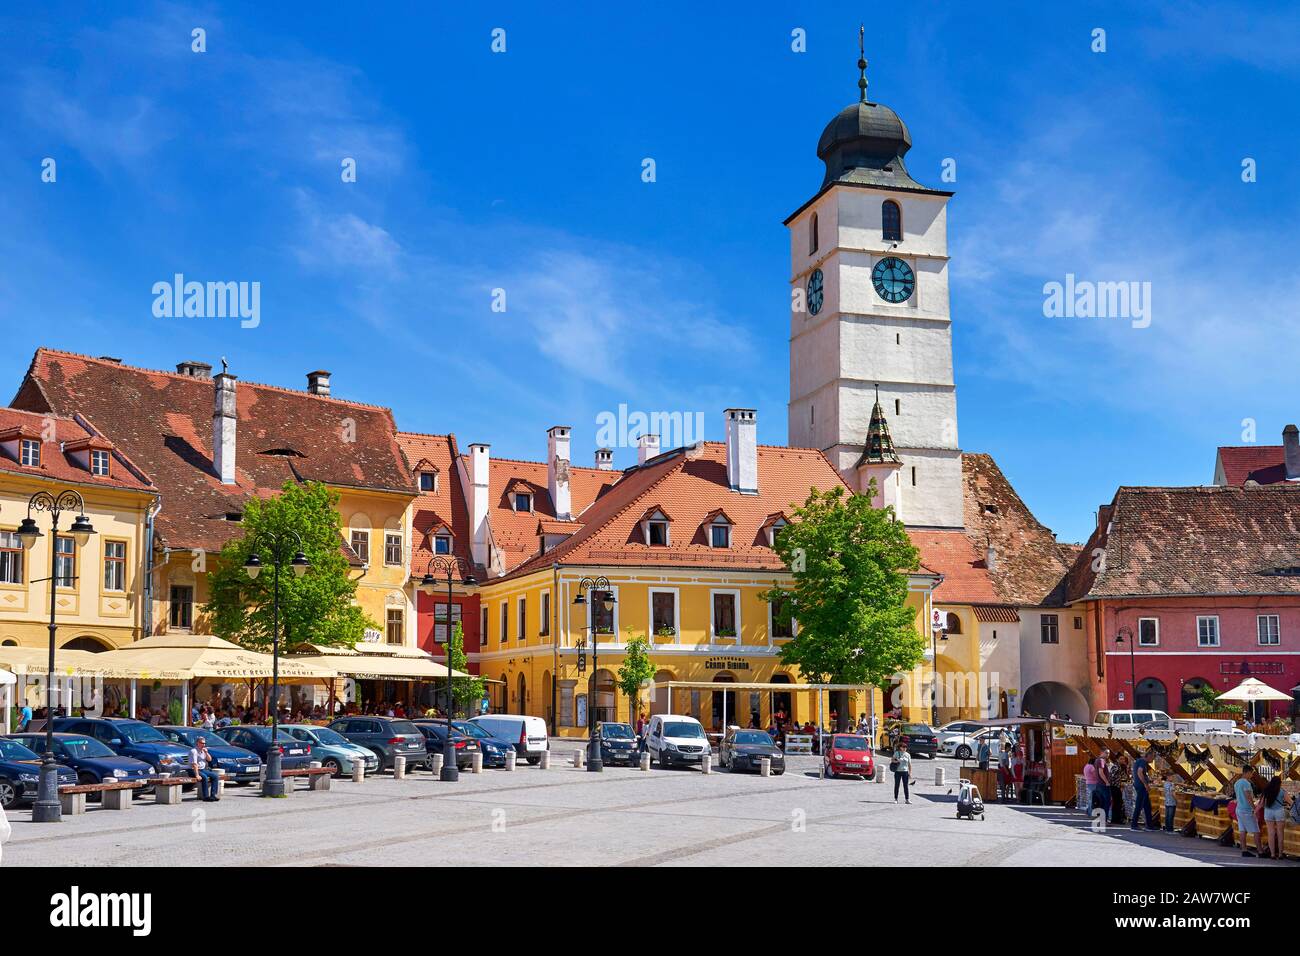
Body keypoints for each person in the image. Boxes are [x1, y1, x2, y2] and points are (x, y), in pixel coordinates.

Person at [1234, 769, 1260, 858]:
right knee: (1256, 830)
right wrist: (1255, 808)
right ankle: (1260, 851)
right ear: (1247, 772)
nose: (1252, 775)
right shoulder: (1246, 783)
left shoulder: (1237, 783)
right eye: (1251, 773)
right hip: (1246, 810)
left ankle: (1244, 850)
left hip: (1239, 808)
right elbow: (1248, 798)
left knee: (1242, 831)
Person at [1261, 775, 1287, 861]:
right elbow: (1290, 802)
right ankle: (1280, 854)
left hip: (1268, 812)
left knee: (1271, 833)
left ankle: (1272, 854)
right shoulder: (1282, 791)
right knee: (1280, 834)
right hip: (1279, 812)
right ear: (1279, 783)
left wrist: (1255, 811)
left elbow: (1262, 804)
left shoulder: (1266, 790)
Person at [190, 735, 221, 802]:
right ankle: (206, 796)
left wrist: (206, 753)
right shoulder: (194, 751)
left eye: (204, 743)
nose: (203, 745)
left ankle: (213, 795)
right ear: (197, 743)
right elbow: (194, 764)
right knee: (204, 777)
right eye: (202, 743)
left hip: (203, 769)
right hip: (193, 770)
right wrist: (197, 775)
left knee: (215, 776)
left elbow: (209, 759)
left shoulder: (203, 751)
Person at [1130, 752, 1155, 830]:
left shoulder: (1139, 761)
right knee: (1139, 805)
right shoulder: (1142, 762)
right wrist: (1145, 784)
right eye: (1153, 757)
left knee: (1147, 806)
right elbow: (1139, 772)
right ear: (1149, 756)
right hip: (1141, 786)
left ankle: (1149, 825)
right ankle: (1134, 825)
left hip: (1139, 785)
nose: (1153, 760)